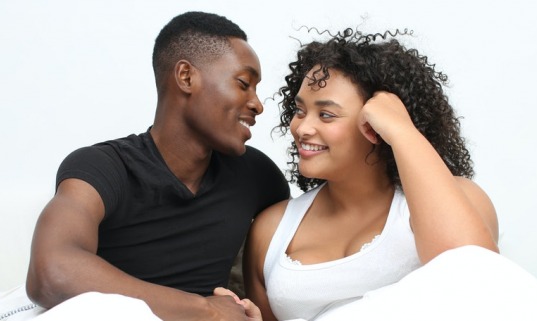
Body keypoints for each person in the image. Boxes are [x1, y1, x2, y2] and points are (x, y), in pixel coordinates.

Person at [25, 11, 289, 321]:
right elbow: (51, 272)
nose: (258, 104)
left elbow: (323, 219)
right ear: (186, 77)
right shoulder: (104, 168)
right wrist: (207, 311)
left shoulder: (256, 176)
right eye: (244, 83)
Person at [240, 28, 501, 321]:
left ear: (375, 125)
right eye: (300, 111)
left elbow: (476, 279)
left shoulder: (460, 198)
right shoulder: (270, 231)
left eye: (326, 115)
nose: (301, 128)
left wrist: (402, 130)